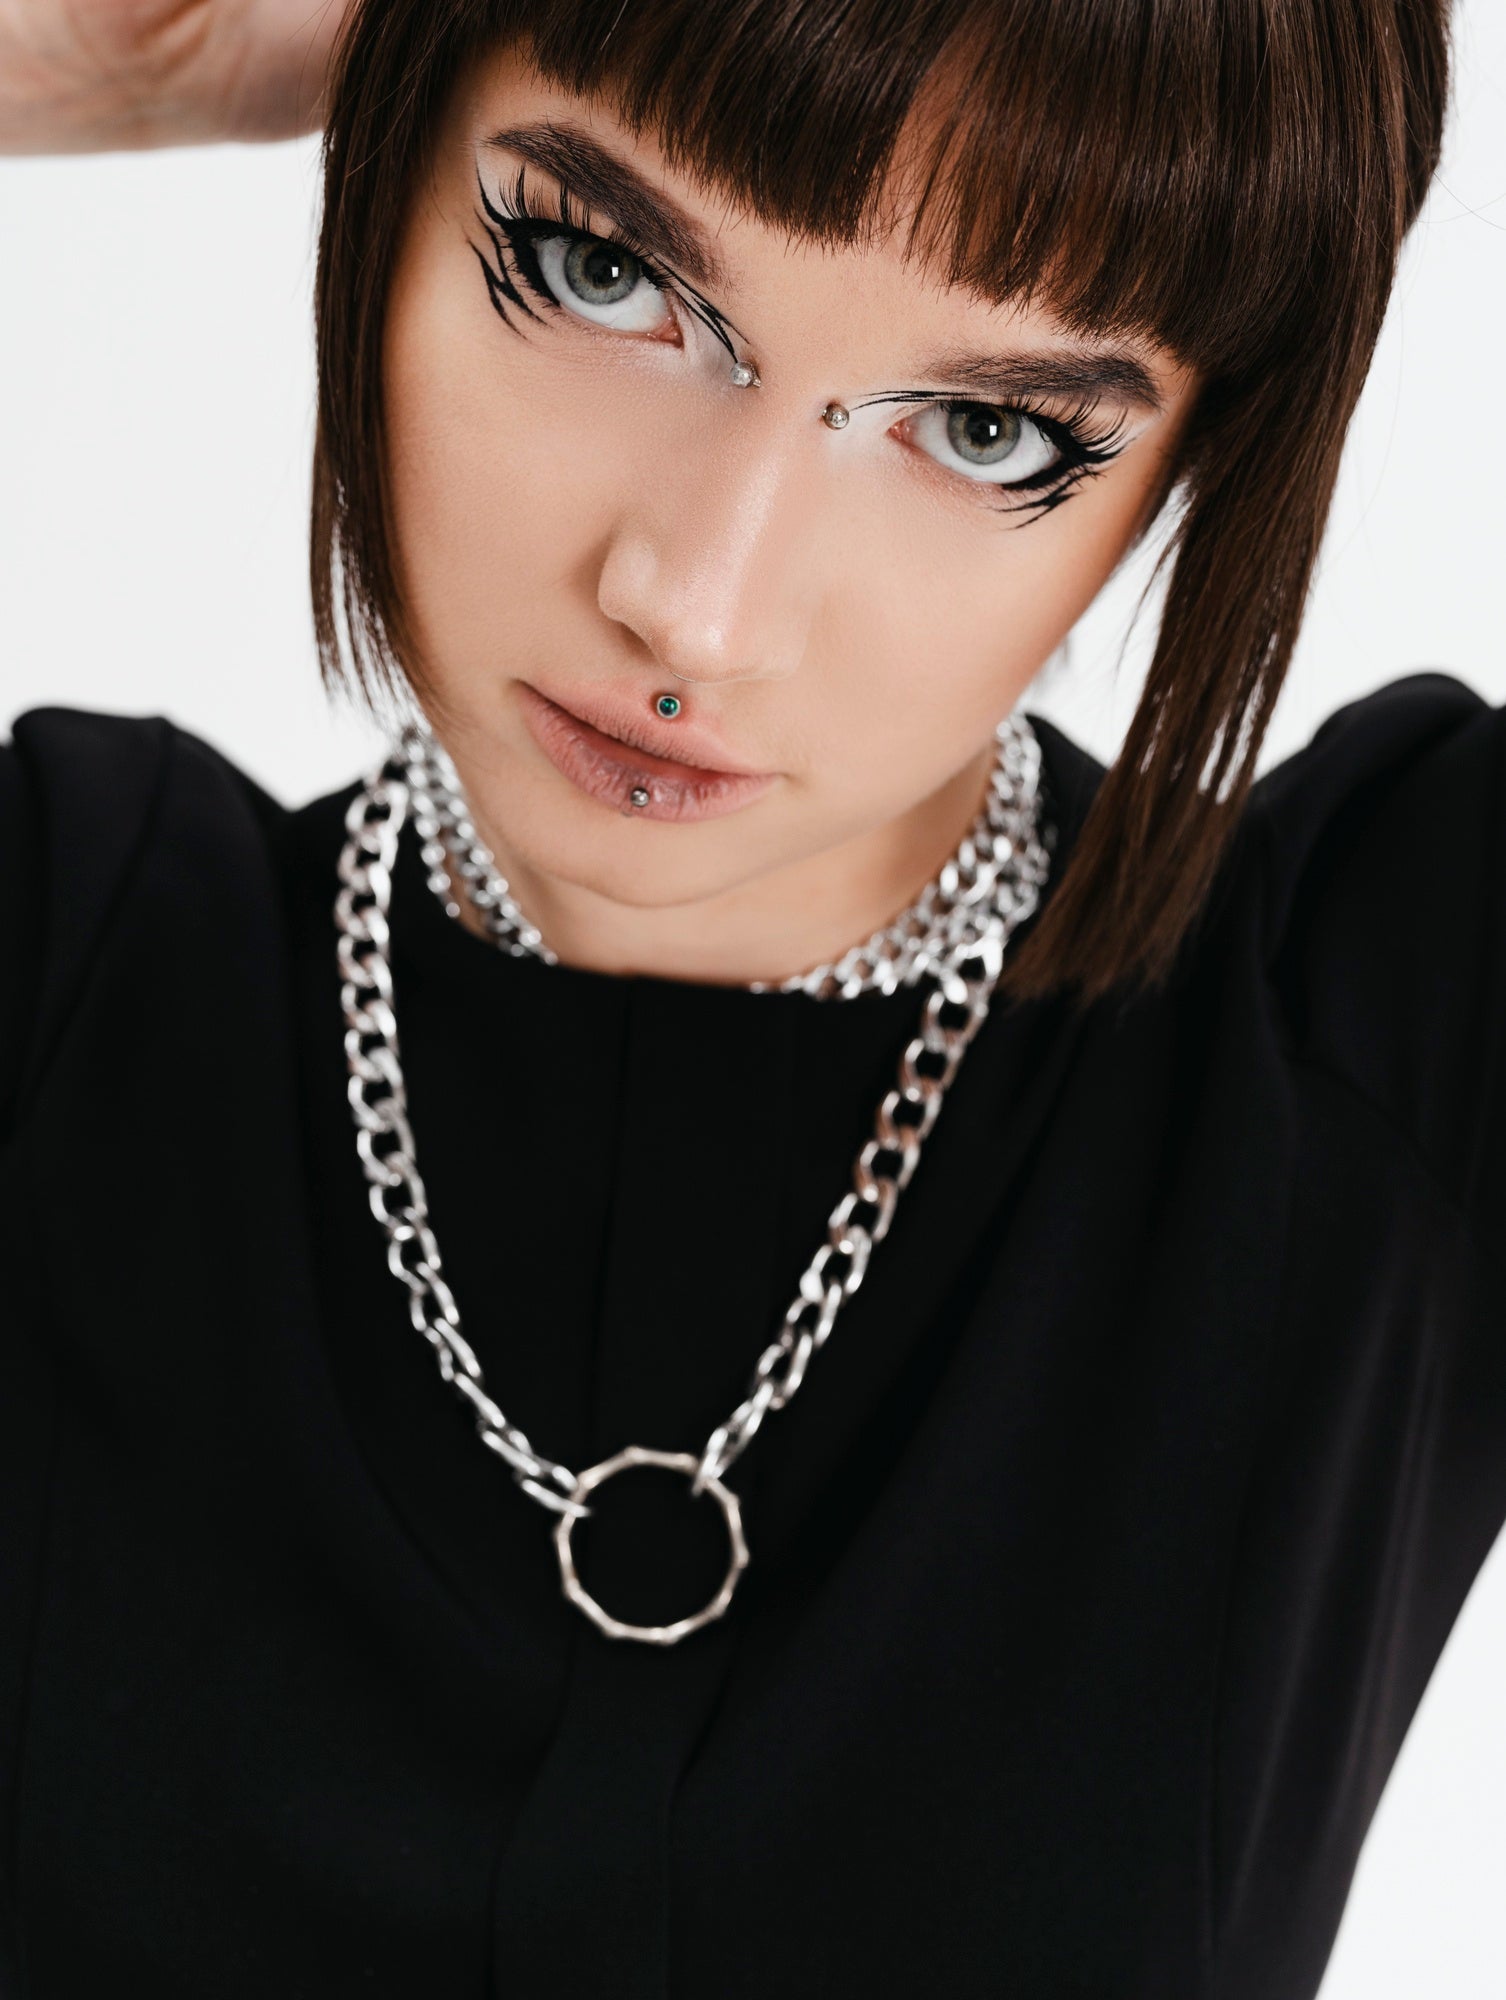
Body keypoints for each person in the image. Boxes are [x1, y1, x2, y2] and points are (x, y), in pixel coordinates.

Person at [0, 0, 1497, 1993]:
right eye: (603, 269)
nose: (696, 601)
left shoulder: (1387, 1027)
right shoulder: (61, 971)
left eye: (987, 431)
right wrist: (85, 56)